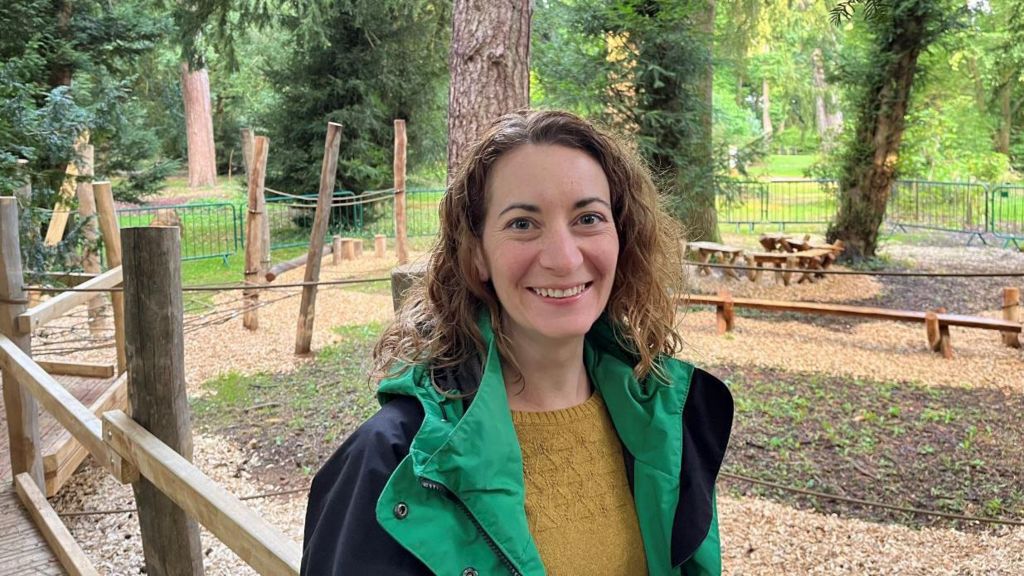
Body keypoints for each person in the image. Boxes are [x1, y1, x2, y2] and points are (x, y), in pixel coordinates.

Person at [301, 110, 733, 576]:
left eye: (588, 218)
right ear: (476, 256)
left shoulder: (663, 416)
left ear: (621, 238)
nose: (565, 259)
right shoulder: (394, 465)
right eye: (523, 224)